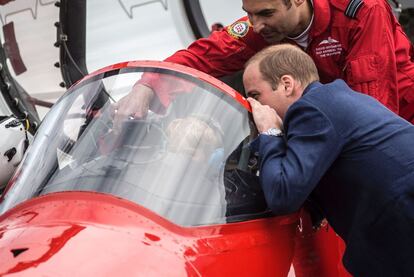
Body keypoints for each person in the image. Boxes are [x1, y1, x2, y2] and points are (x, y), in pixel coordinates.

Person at [244, 43, 414, 276]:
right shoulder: (332, 100)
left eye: (255, 96)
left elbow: (283, 194)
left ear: (286, 84)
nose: (253, 107)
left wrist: (269, 132)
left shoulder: (311, 110)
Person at [115, 0, 414, 124]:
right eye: (250, 13)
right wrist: (147, 85)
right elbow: (202, 56)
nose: (256, 25)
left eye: (266, 14)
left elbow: (375, 109)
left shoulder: (361, 11)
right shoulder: (264, 27)